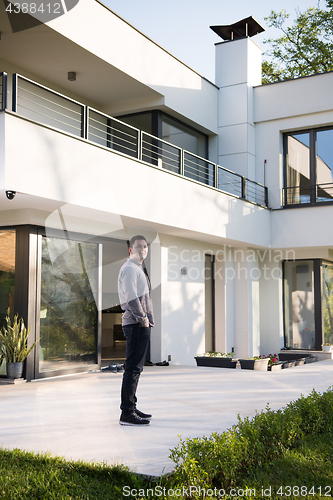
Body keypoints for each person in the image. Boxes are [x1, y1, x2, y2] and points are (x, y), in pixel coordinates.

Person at [117, 235, 154, 426]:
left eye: (145, 247)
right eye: (138, 246)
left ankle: (131, 406)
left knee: (135, 369)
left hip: (137, 324)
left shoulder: (136, 268)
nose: (143, 249)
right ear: (131, 250)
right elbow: (132, 298)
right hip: (136, 324)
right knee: (132, 369)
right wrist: (143, 320)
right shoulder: (131, 269)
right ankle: (127, 413)